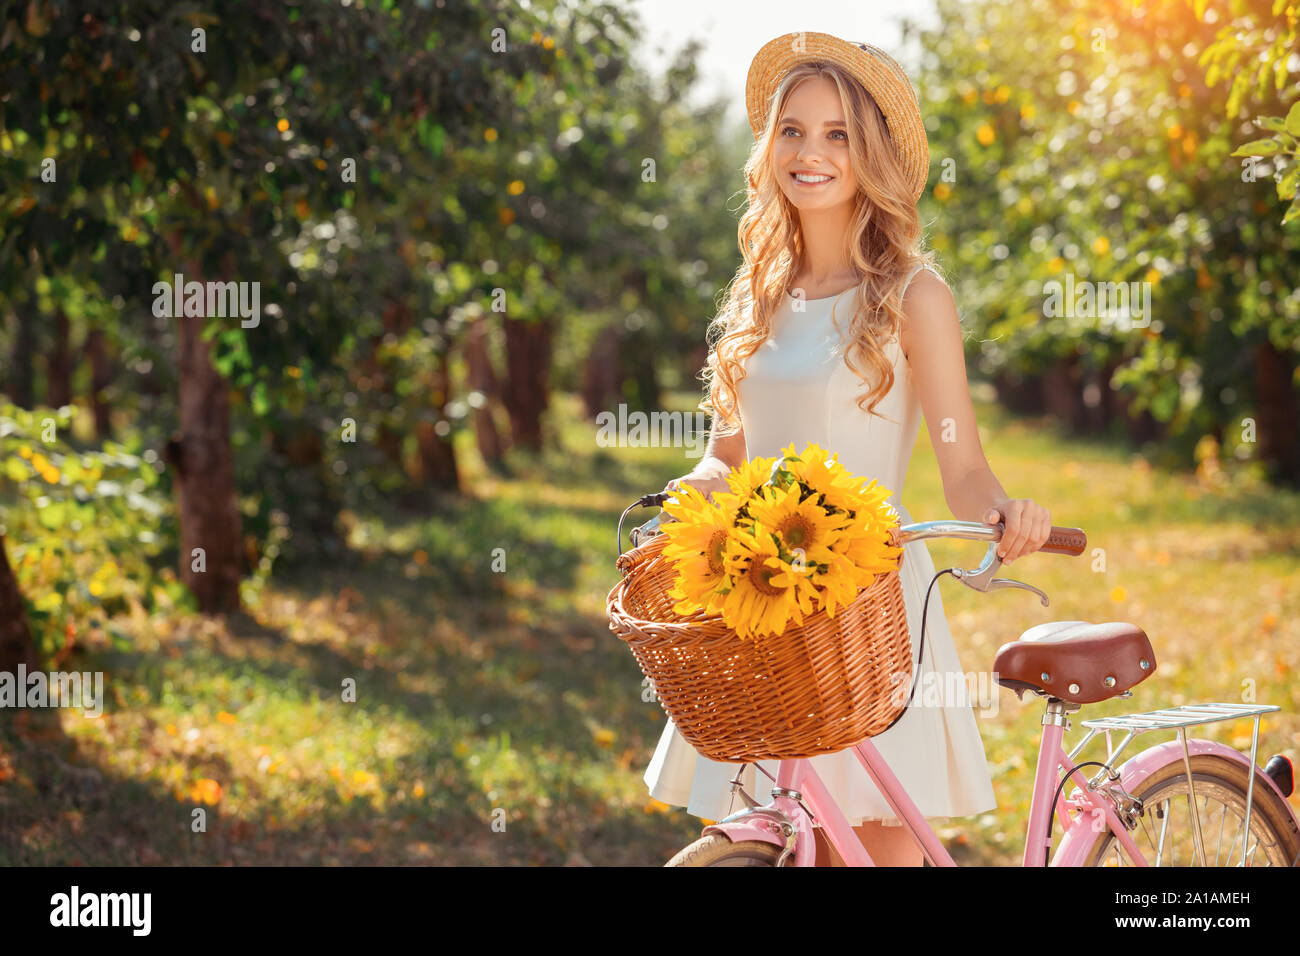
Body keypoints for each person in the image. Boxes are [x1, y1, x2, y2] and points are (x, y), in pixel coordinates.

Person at [643, 32, 1054, 866]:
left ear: (870, 154)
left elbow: (962, 465)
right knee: (776, 825)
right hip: (759, 597)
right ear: (768, 150)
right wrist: (692, 493)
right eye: (792, 130)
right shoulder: (759, 297)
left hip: (867, 599)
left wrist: (1004, 511)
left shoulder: (912, 295)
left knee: (871, 847)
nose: (812, 152)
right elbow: (727, 456)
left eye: (838, 134)